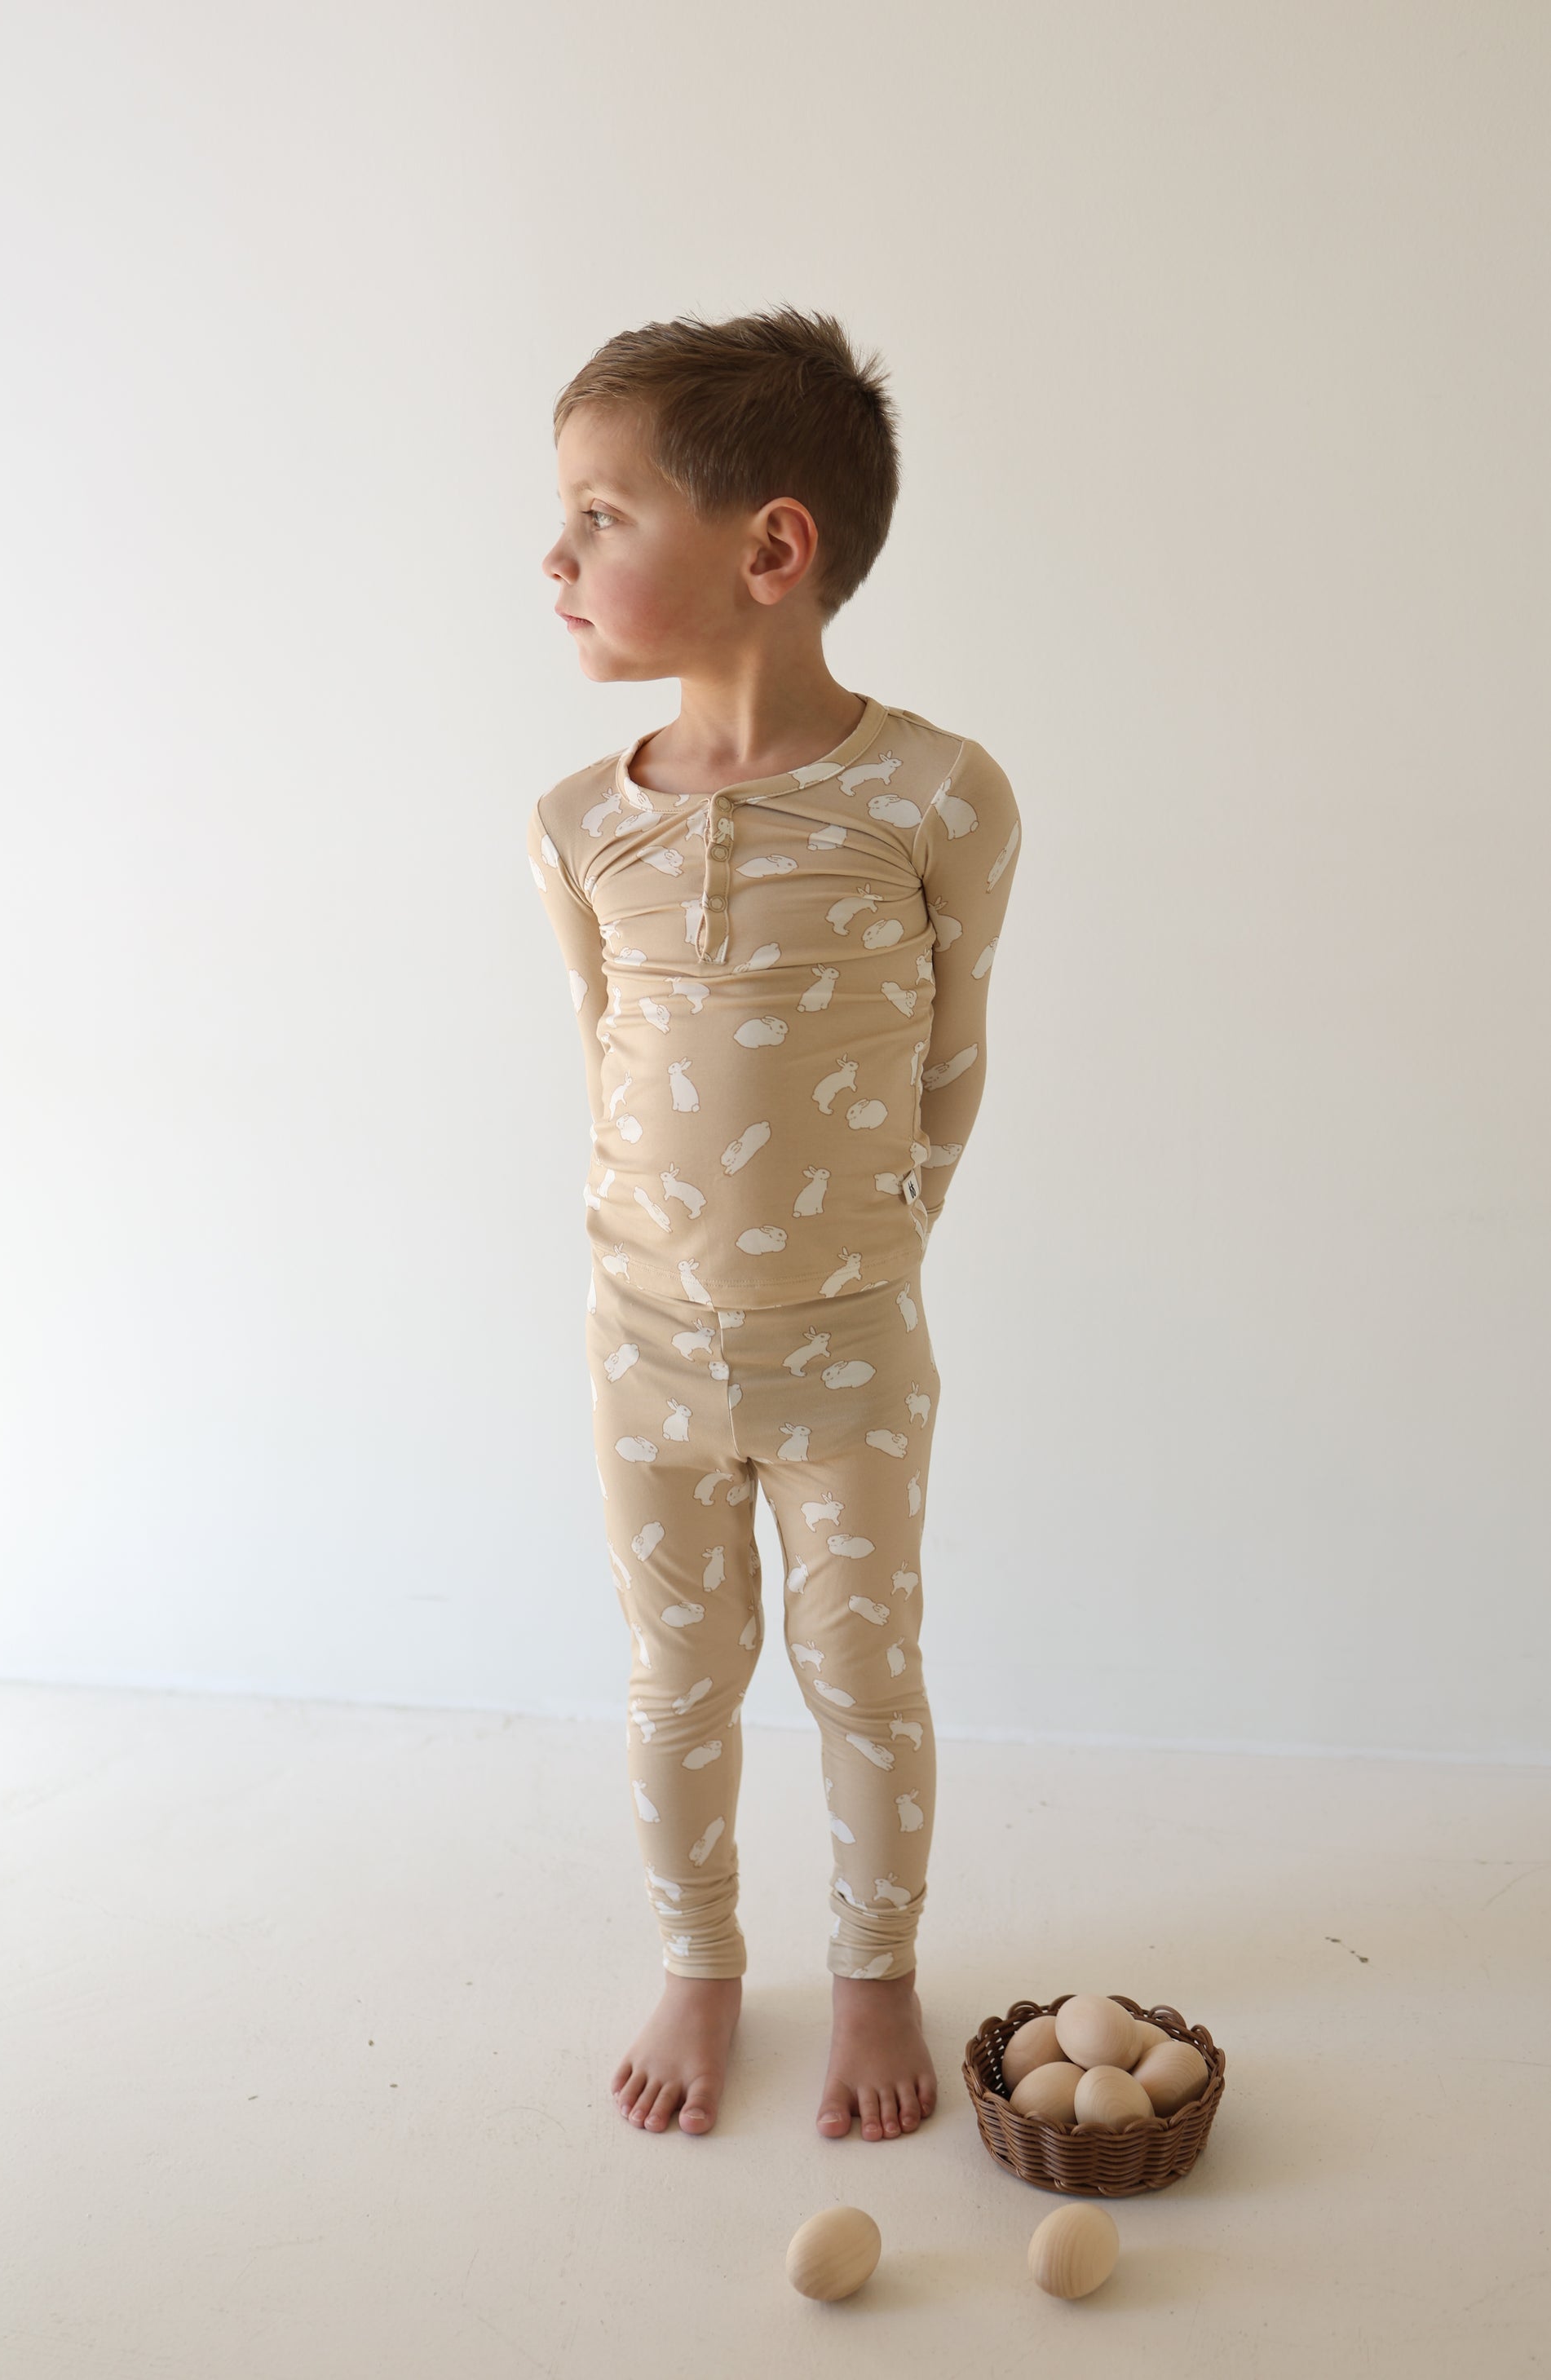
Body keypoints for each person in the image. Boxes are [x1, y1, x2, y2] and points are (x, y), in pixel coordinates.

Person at [527, 306, 1020, 2143]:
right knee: (675, 1673)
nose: (555, 558)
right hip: (644, 1345)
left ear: (770, 547)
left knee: (861, 1669)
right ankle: (703, 1952)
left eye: (599, 514)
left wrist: (860, 1254)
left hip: (846, 1342)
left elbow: (950, 1060)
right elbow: (605, 1054)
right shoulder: (579, 823)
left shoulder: (936, 794)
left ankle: (876, 1962)